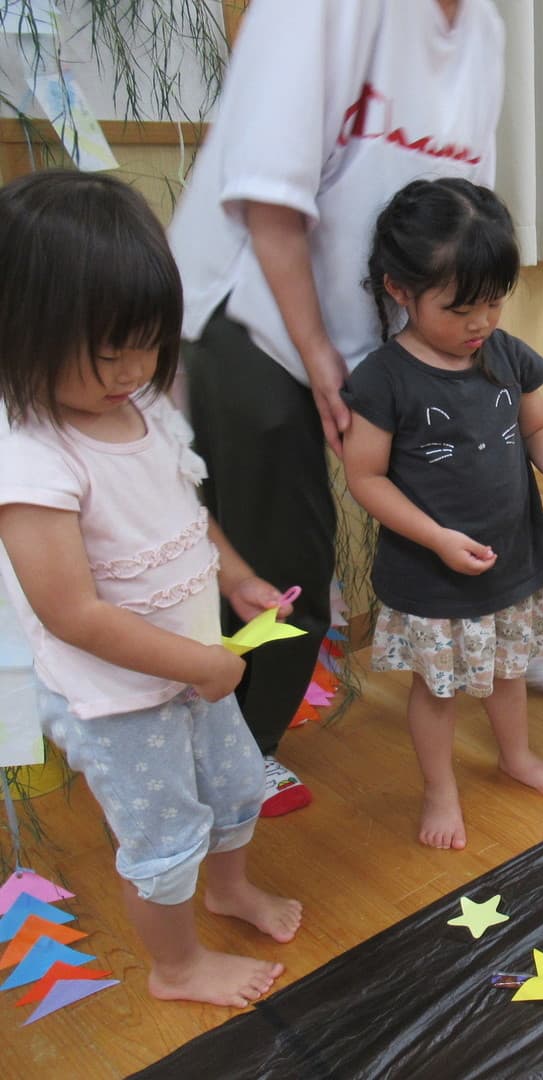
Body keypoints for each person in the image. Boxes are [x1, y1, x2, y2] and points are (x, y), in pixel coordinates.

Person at [168, 0, 543, 818]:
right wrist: (321, 353)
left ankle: (494, 639)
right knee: (281, 558)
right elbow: (270, 201)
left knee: (457, 493)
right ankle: (240, 749)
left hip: (381, 330)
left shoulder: (484, 31)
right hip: (256, 312)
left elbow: (463, 213)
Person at [0, 171, 302, 1007]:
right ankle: (178, 968)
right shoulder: (31, 459)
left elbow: (185, 510)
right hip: (119, 701)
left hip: (196, 667)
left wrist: (237, 578)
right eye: (110, 350)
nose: (135, 367)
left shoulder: (139, 407)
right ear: (23, 330)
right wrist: (199, 665)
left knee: (235, 788)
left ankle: (230, 889)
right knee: (163, 836)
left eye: (150, 343)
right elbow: (71, 613)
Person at [340, 180, 543, 850]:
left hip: (511, 555)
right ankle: (439, 789)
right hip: (433, 572)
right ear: (400, 290)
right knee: (438, 690)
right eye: (461, 309)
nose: (481, 323)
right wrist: (435, 538)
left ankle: (516, 757)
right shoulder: (384, 378)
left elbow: (539, 430)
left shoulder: (505, 355)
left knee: (509, 668)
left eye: (494, 302)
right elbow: (364, 477)